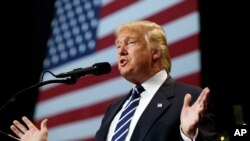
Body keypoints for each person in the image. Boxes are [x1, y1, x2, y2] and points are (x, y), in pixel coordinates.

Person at [9, 20, 216, 141]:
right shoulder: (115, 110)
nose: (121, 51)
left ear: (155, 52)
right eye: (117, 46)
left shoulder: (189, 98)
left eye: (130, 43)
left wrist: (190, 135)